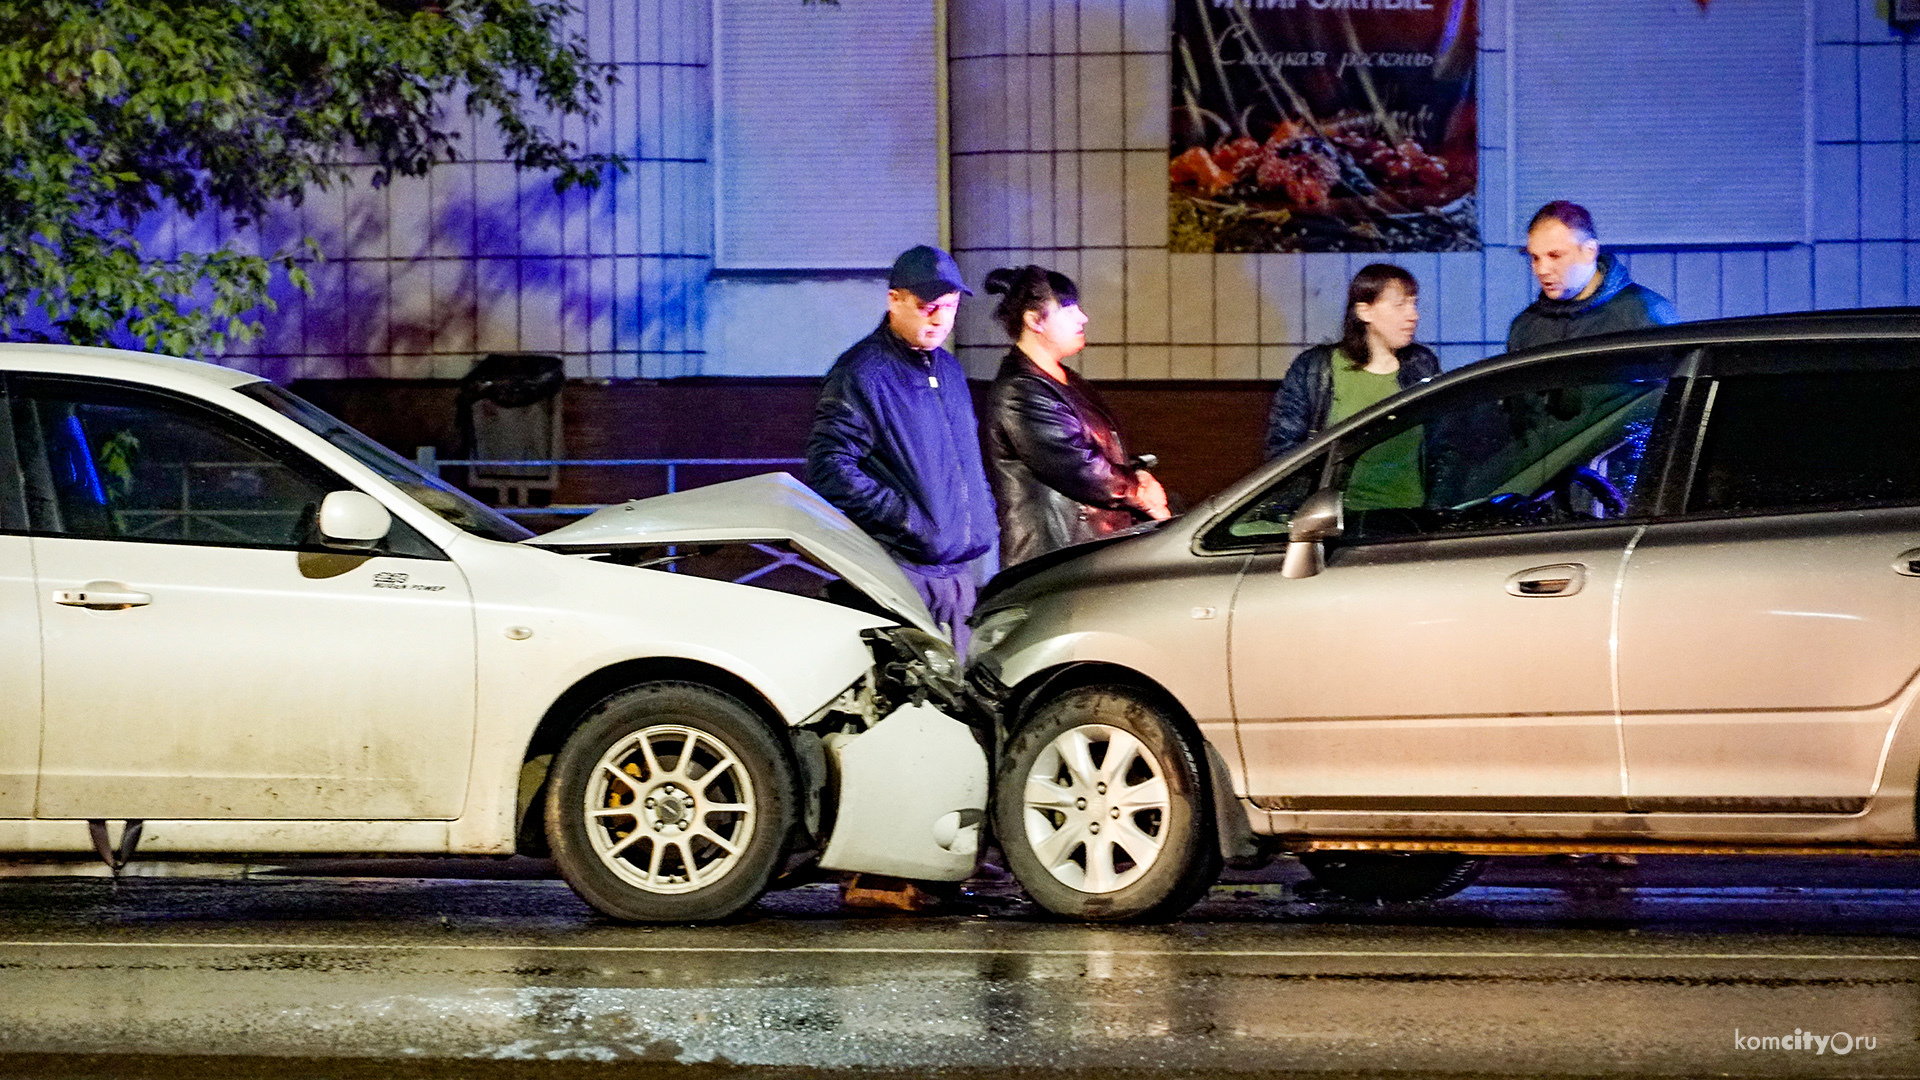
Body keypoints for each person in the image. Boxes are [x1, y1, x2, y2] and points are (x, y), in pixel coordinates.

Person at [805, 245, 996, 651]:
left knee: (955, 706)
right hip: (903, 570)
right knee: (907, 705)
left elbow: (964, 463)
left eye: (950, 305)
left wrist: (980, 514)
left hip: (959, 575)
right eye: (928, 305)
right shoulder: (862, 371)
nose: (941, 318)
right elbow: (829, 466)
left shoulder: (949, 370)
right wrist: (907, 519)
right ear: (894, 300)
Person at [982, 265, 1169, 566]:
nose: (1083, 318)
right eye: (1068, 310)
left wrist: (1138, 476)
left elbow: (1100, 455)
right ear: (1034, 321)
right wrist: (1138, 491)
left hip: (1085, 549)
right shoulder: (1019, 390)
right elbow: (1079, 466)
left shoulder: (1065, 380)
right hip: (1054, 556)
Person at [1264, 262, 1440, 466]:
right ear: (1364, 311)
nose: (1413, 316)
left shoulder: (1422, 365)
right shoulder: (1316, 368)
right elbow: (1283, 449)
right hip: (1332, 498)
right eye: (1400, 305)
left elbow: (1444, 443)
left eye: (1414, 304)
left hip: (1409, 499)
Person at [1508, 201, 1677, 352]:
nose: (1541, 269)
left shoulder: (1645, 314)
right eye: (1535, 258)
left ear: (1590, 251)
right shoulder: (1525, 327)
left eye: (1555, 256)